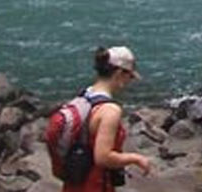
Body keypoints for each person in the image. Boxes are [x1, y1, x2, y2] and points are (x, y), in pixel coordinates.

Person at [65, 46, 154, 192]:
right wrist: (136, 159)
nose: (129, 82)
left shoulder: (84, 96)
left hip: (74, 181)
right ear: (119, 73)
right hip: (95, 184)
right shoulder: (109, 111)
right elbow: (103, 157)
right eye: (130, 76)